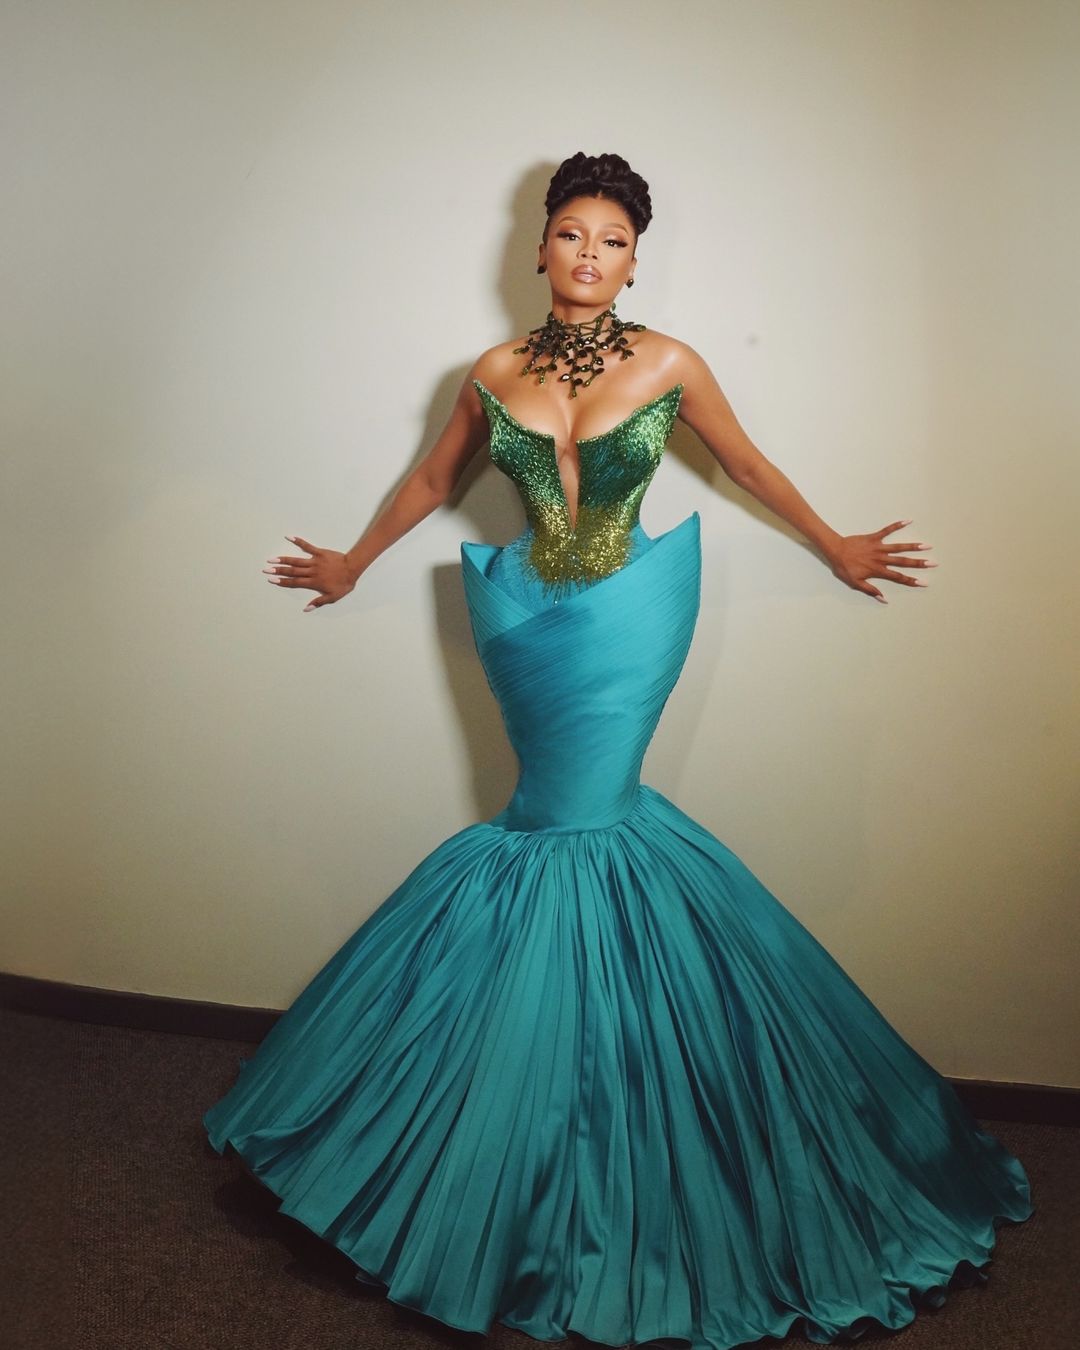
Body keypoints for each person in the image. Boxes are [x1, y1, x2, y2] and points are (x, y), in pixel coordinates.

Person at [204, 152, 1033, 1350]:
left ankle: (600, 1110)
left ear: (635, 261)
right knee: (545, 824)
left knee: (588, 821)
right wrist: (351, 561)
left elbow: (744, 464)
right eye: (572, 233)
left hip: (629, 614)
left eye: (613, 241)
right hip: (523, 612)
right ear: (540, 246)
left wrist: (835, 543)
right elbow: (435, 477)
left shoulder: (671, 363)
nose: (590, 255)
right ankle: (537, 1103)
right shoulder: (492, 371)